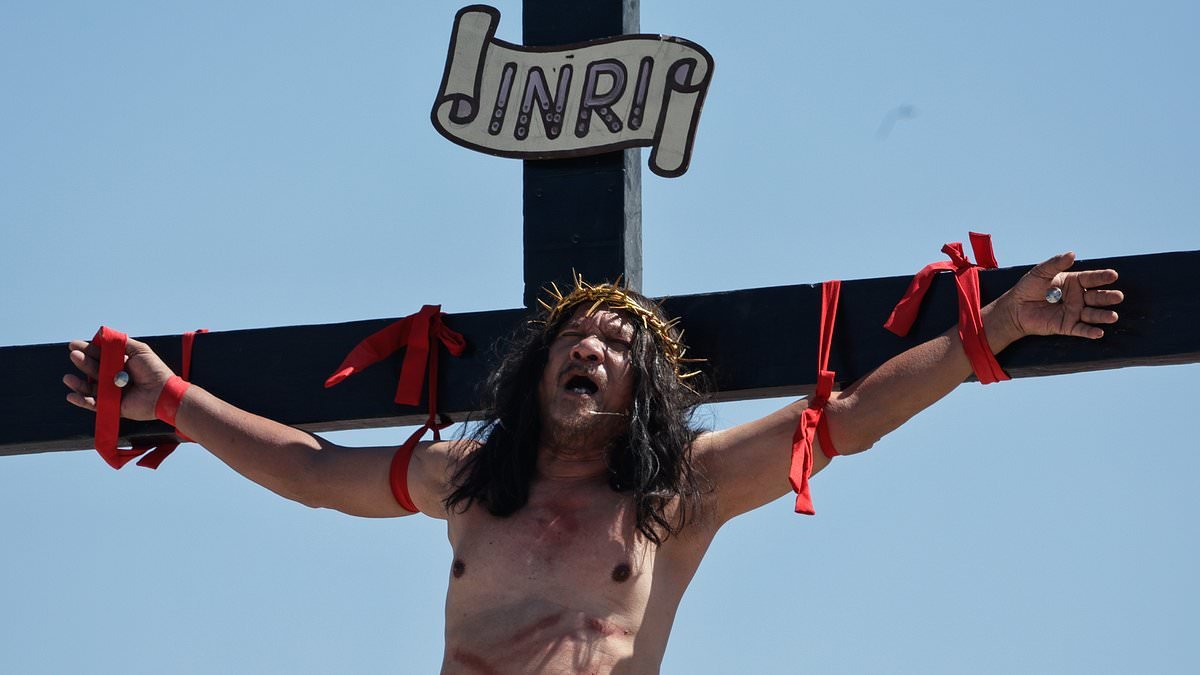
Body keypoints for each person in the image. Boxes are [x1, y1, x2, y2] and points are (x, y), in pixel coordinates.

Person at [63, 251, 1121, 674]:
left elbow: (846, 421)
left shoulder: (677, 496)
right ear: (538, 372)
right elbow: (307, 466)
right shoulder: (467, 482)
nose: (592, 349)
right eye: (576, 337)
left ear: (639, 395)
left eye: (618, 347)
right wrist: (172, 401)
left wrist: (993, 328)